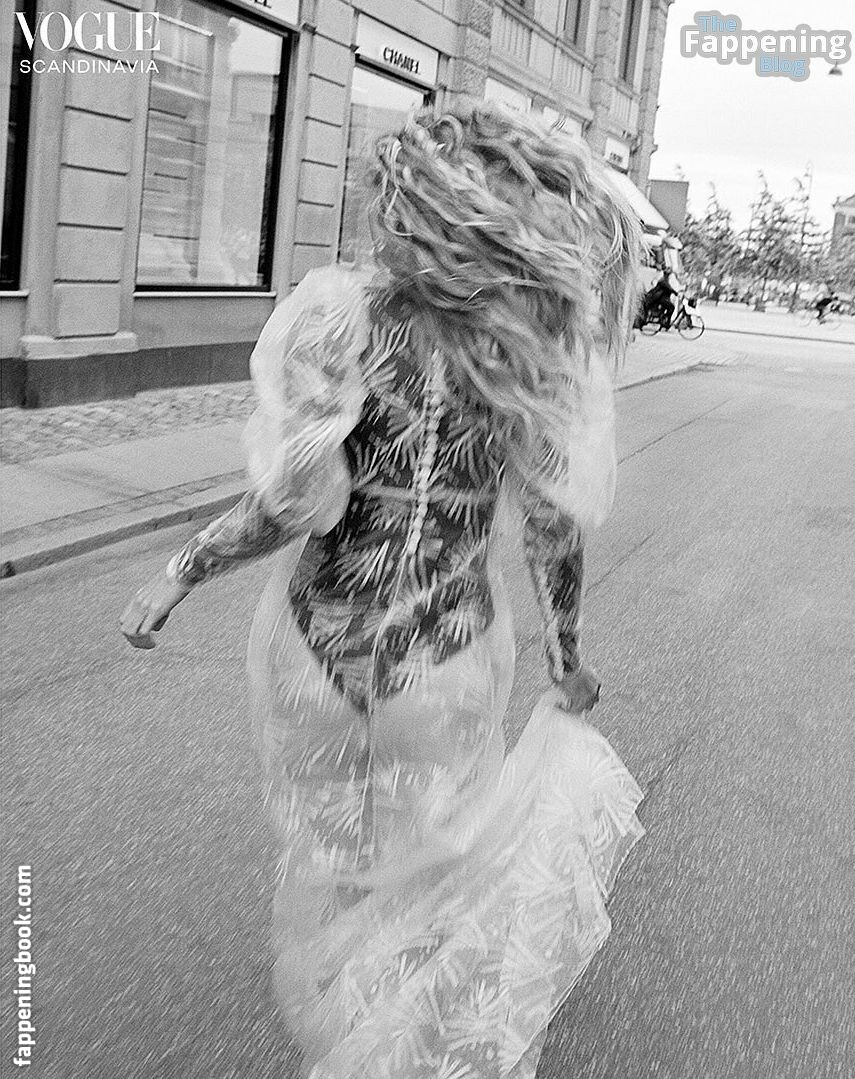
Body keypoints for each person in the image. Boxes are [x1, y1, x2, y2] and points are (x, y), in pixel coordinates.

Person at [121, 103, 645, 1079]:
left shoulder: (339, 316)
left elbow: (290, 502)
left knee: (334, 869)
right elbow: (551, 526)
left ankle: (344, 1039)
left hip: (318, 654)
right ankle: (399, 1046)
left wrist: (181, 569)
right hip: (447, 661)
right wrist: (566, 656)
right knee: (433, 878)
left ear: (406, 203)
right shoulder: (522, 344)